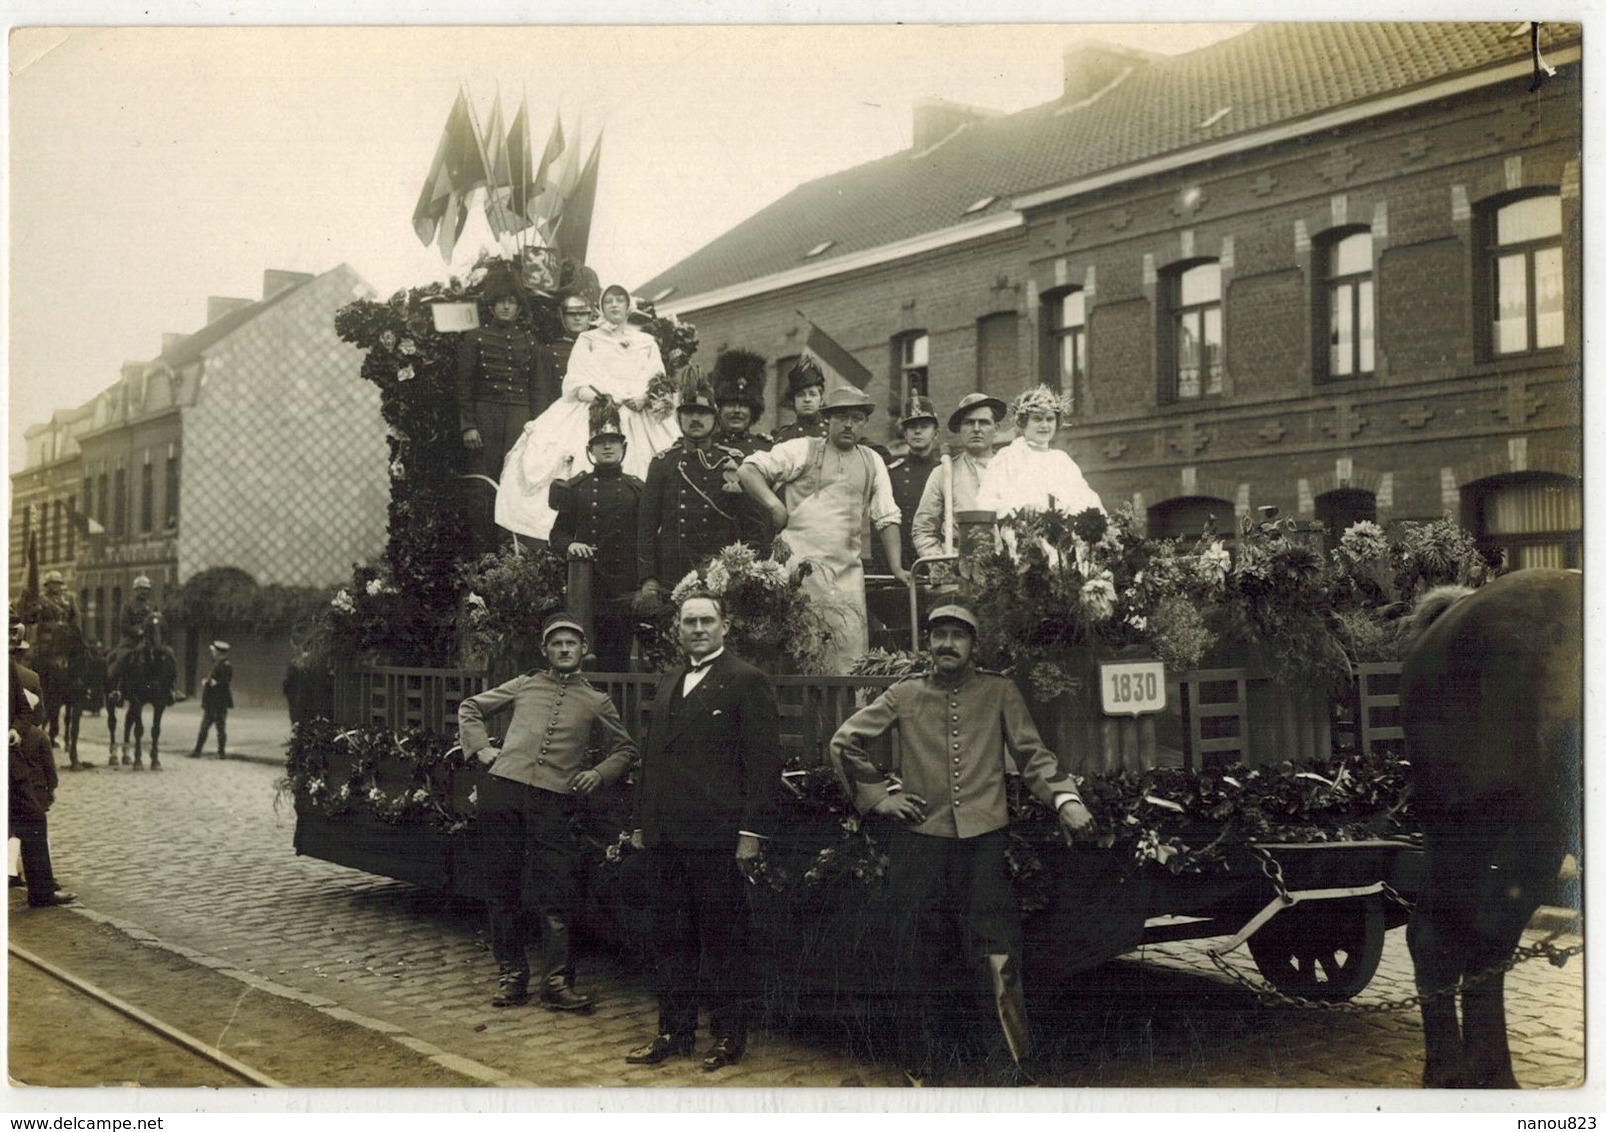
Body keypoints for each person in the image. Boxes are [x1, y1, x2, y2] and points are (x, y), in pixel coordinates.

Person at [830, 603, 1093, 1086]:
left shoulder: (999, 691)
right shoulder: (904, 694)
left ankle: (1011, 1062)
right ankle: (921, 1062)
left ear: (974, 645)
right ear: (928, 642)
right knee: (915, 951)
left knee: (998, 952)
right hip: (921, 845)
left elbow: (1033, 755)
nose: (947, 644)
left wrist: (1064, 799)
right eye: (938, 635)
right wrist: (881, 798)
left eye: (958, 635)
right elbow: (845, 742)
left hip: (983, 843)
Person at [625, 593, 782, 1072]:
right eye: (689, 621)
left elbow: (762, 763)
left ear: (724, 626)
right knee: (670, 936)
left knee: (723, 940)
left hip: (715, 834)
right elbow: (654, 758)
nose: (698, 628)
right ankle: (673, 1033)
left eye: (706, 621)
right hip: (668, 834)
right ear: (678, 628)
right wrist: (641, 823)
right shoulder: (672, 677)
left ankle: (730, 1036)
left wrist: (751, 832)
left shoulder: (746, 680)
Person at [458, 614, 637, 1011]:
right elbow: (470, 707)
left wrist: (598, 773)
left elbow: (625, 749)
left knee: (555, 892)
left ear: (584, 651)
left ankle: (556, 984)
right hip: (503, 792)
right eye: (556, 644)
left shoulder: (597, 700)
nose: (563, 649)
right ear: (545, 651)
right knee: (502, 888)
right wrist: (481, 748)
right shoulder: (525, 684)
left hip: (554, 801)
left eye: (571, 644)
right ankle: (512, 977)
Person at [737, 386, 909, 674]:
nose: (849, 424)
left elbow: (887, 515)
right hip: (798, 574)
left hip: (846, 578)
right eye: (841, 417)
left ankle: (843, 718)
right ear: (827, 419)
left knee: (848, 660)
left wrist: (897, 567)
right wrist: (774, 506)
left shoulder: (872, 460)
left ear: (865, 422)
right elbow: (748, 469)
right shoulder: (803, 449)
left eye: (856, 418)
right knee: (797, 654)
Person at [495, 284, 680, 542]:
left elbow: (659, 380)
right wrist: (603, 399)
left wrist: (647, 398)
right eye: (609, 301)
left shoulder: (646, 342)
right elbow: (574, 384)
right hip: (602, 411)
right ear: (602, 308)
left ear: (628, 307)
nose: (614, 305)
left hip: (640, 414)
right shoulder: (589, 339)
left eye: (620, 300)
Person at [635, 380, 753, 608]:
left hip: (722, 574)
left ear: (715, 419)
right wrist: (648, 578)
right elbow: (646, 526)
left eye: (703, 413)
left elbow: (750, 523)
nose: (696, 419)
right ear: (679, 419)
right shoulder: (663, 463)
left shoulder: (733, 462)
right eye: (689, 413)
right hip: (673, 574)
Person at [549, 403, 645, 673]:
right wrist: (571, 544)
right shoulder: (578, 488)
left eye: (614, 442)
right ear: (590, 450)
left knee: (619, 662)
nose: (607, 447)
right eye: (600, 443)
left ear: (623, 448)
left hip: (625, 588)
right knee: (586, 660)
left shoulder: (637, 489)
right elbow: (557, 535)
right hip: (588, 589)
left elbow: (648, 539)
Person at [977, 384, 1105, 519]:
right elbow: (986, 502)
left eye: (1050, 419)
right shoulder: (1006, 458)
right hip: (1020, 533)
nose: (1045, 425)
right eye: (1037, 419)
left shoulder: (1062, 461)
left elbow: (1087, 501)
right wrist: (1021, 509)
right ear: (1023, 422)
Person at [911, 392, 1008, 563]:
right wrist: (939, 561)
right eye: (969, 423)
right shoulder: (943, 473)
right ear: (960, 429)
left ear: (996, 429)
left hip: (1005, 566)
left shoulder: (1012, 470)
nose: (976, 429)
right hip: (957, 564)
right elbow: (923, 528)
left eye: (984, 422)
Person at [10, 655, 74, 908]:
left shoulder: (9, 667)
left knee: (34, 817)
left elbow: (25, 710)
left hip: (10, 761)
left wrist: (16, 729)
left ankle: (41, 892)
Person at [709, 349, 773, 456]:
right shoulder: (706, 448)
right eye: (730, 405)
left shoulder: (766, 450)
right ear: (719, 409)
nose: (737, 411)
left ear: (753, 411)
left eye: (743, 406)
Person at [189, 640, 235, 759]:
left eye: (215, 651)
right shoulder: (217, 663)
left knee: (219, 727)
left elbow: (224, 682)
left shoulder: (226, 665)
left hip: (219, 702)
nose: (213, 653)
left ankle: (221, 752)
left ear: (220, 653)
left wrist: (213, 682)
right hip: (211, 702)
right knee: (205, 726)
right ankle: (198, 750)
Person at [771, 358, 827, 444]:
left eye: (812, 394)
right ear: (793, 401)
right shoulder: (783, 437)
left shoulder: (832, 433)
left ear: (821, 400)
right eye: (800, 395)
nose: (807, 399)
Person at [547, 292, 595, 379]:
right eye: (571, 314)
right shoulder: (550, 350)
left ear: (589, 316)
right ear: (563, 316)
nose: (577, 318)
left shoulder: (598, 346)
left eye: (583, 314)